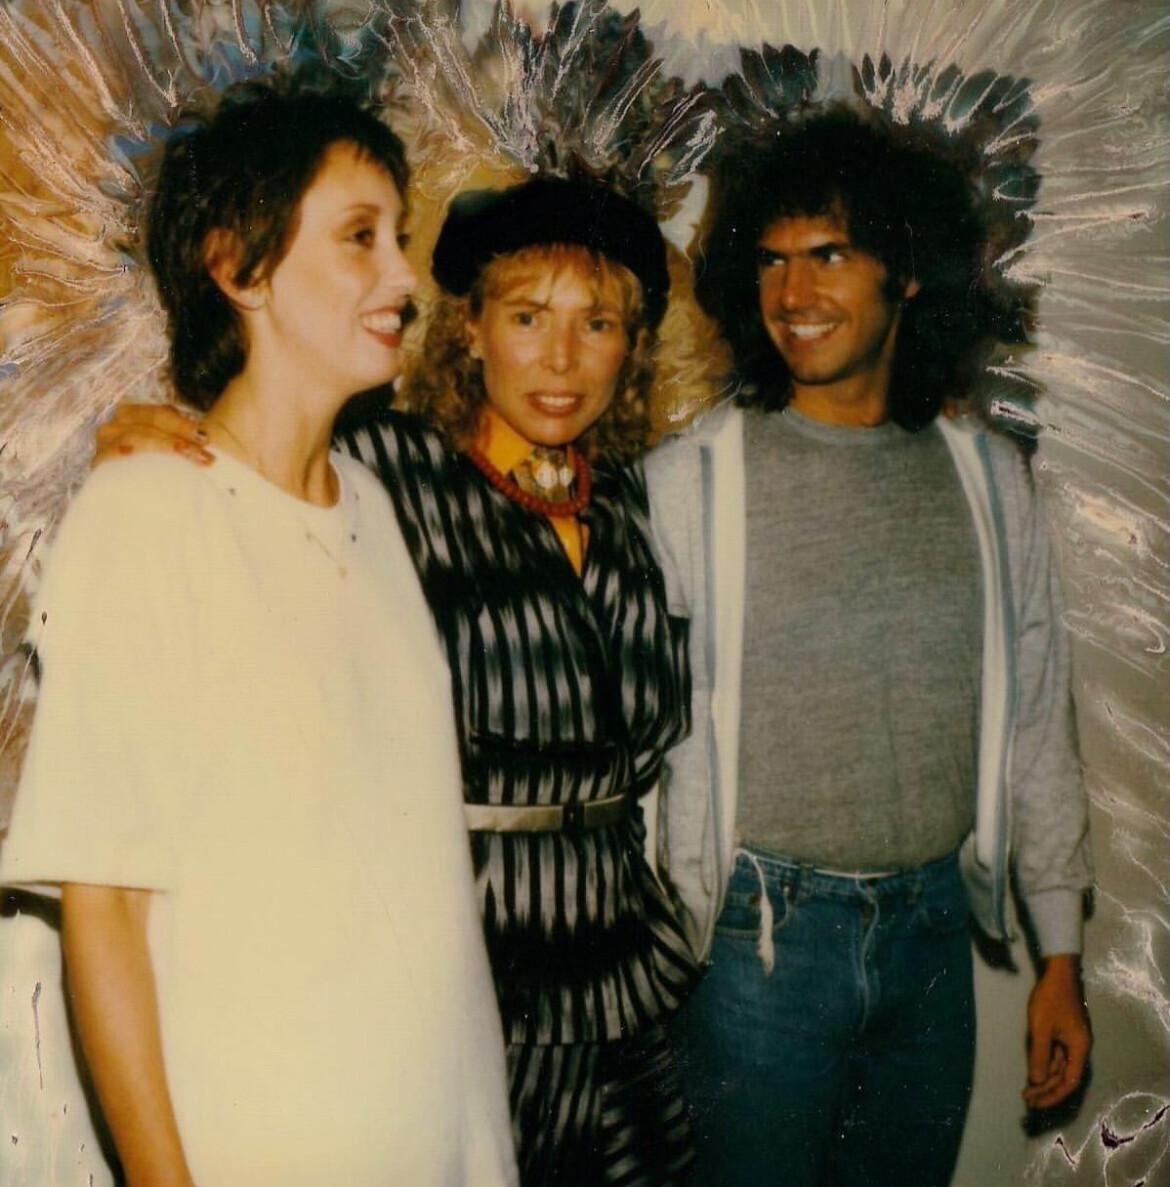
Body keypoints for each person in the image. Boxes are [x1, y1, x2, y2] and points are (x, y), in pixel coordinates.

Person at [87, 175, 702, 1185]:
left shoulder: (637, 501)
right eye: (527, 316)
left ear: (629, 348)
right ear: (470, 331)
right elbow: (250, 468)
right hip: (472, 960)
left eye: (596, 323)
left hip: (624, 965)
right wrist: (154, 436)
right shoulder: (388, 469)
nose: (561, 357)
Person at [0, 70, 516, 1187]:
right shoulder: (144, 513)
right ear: (239, 268)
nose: (404, 275)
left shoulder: (373, 500)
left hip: (432, 1127)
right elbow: (104, 909)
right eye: (361, 237)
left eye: (400, 238)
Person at [644, 107, 1094, 1186]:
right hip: (756, 947)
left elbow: (1037, 722)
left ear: (910, 273)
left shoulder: (990, 481)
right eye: (772, 260)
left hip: (932, 941)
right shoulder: (690, 482)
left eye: (831, 254)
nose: (793, 293)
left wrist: (1060, 955)